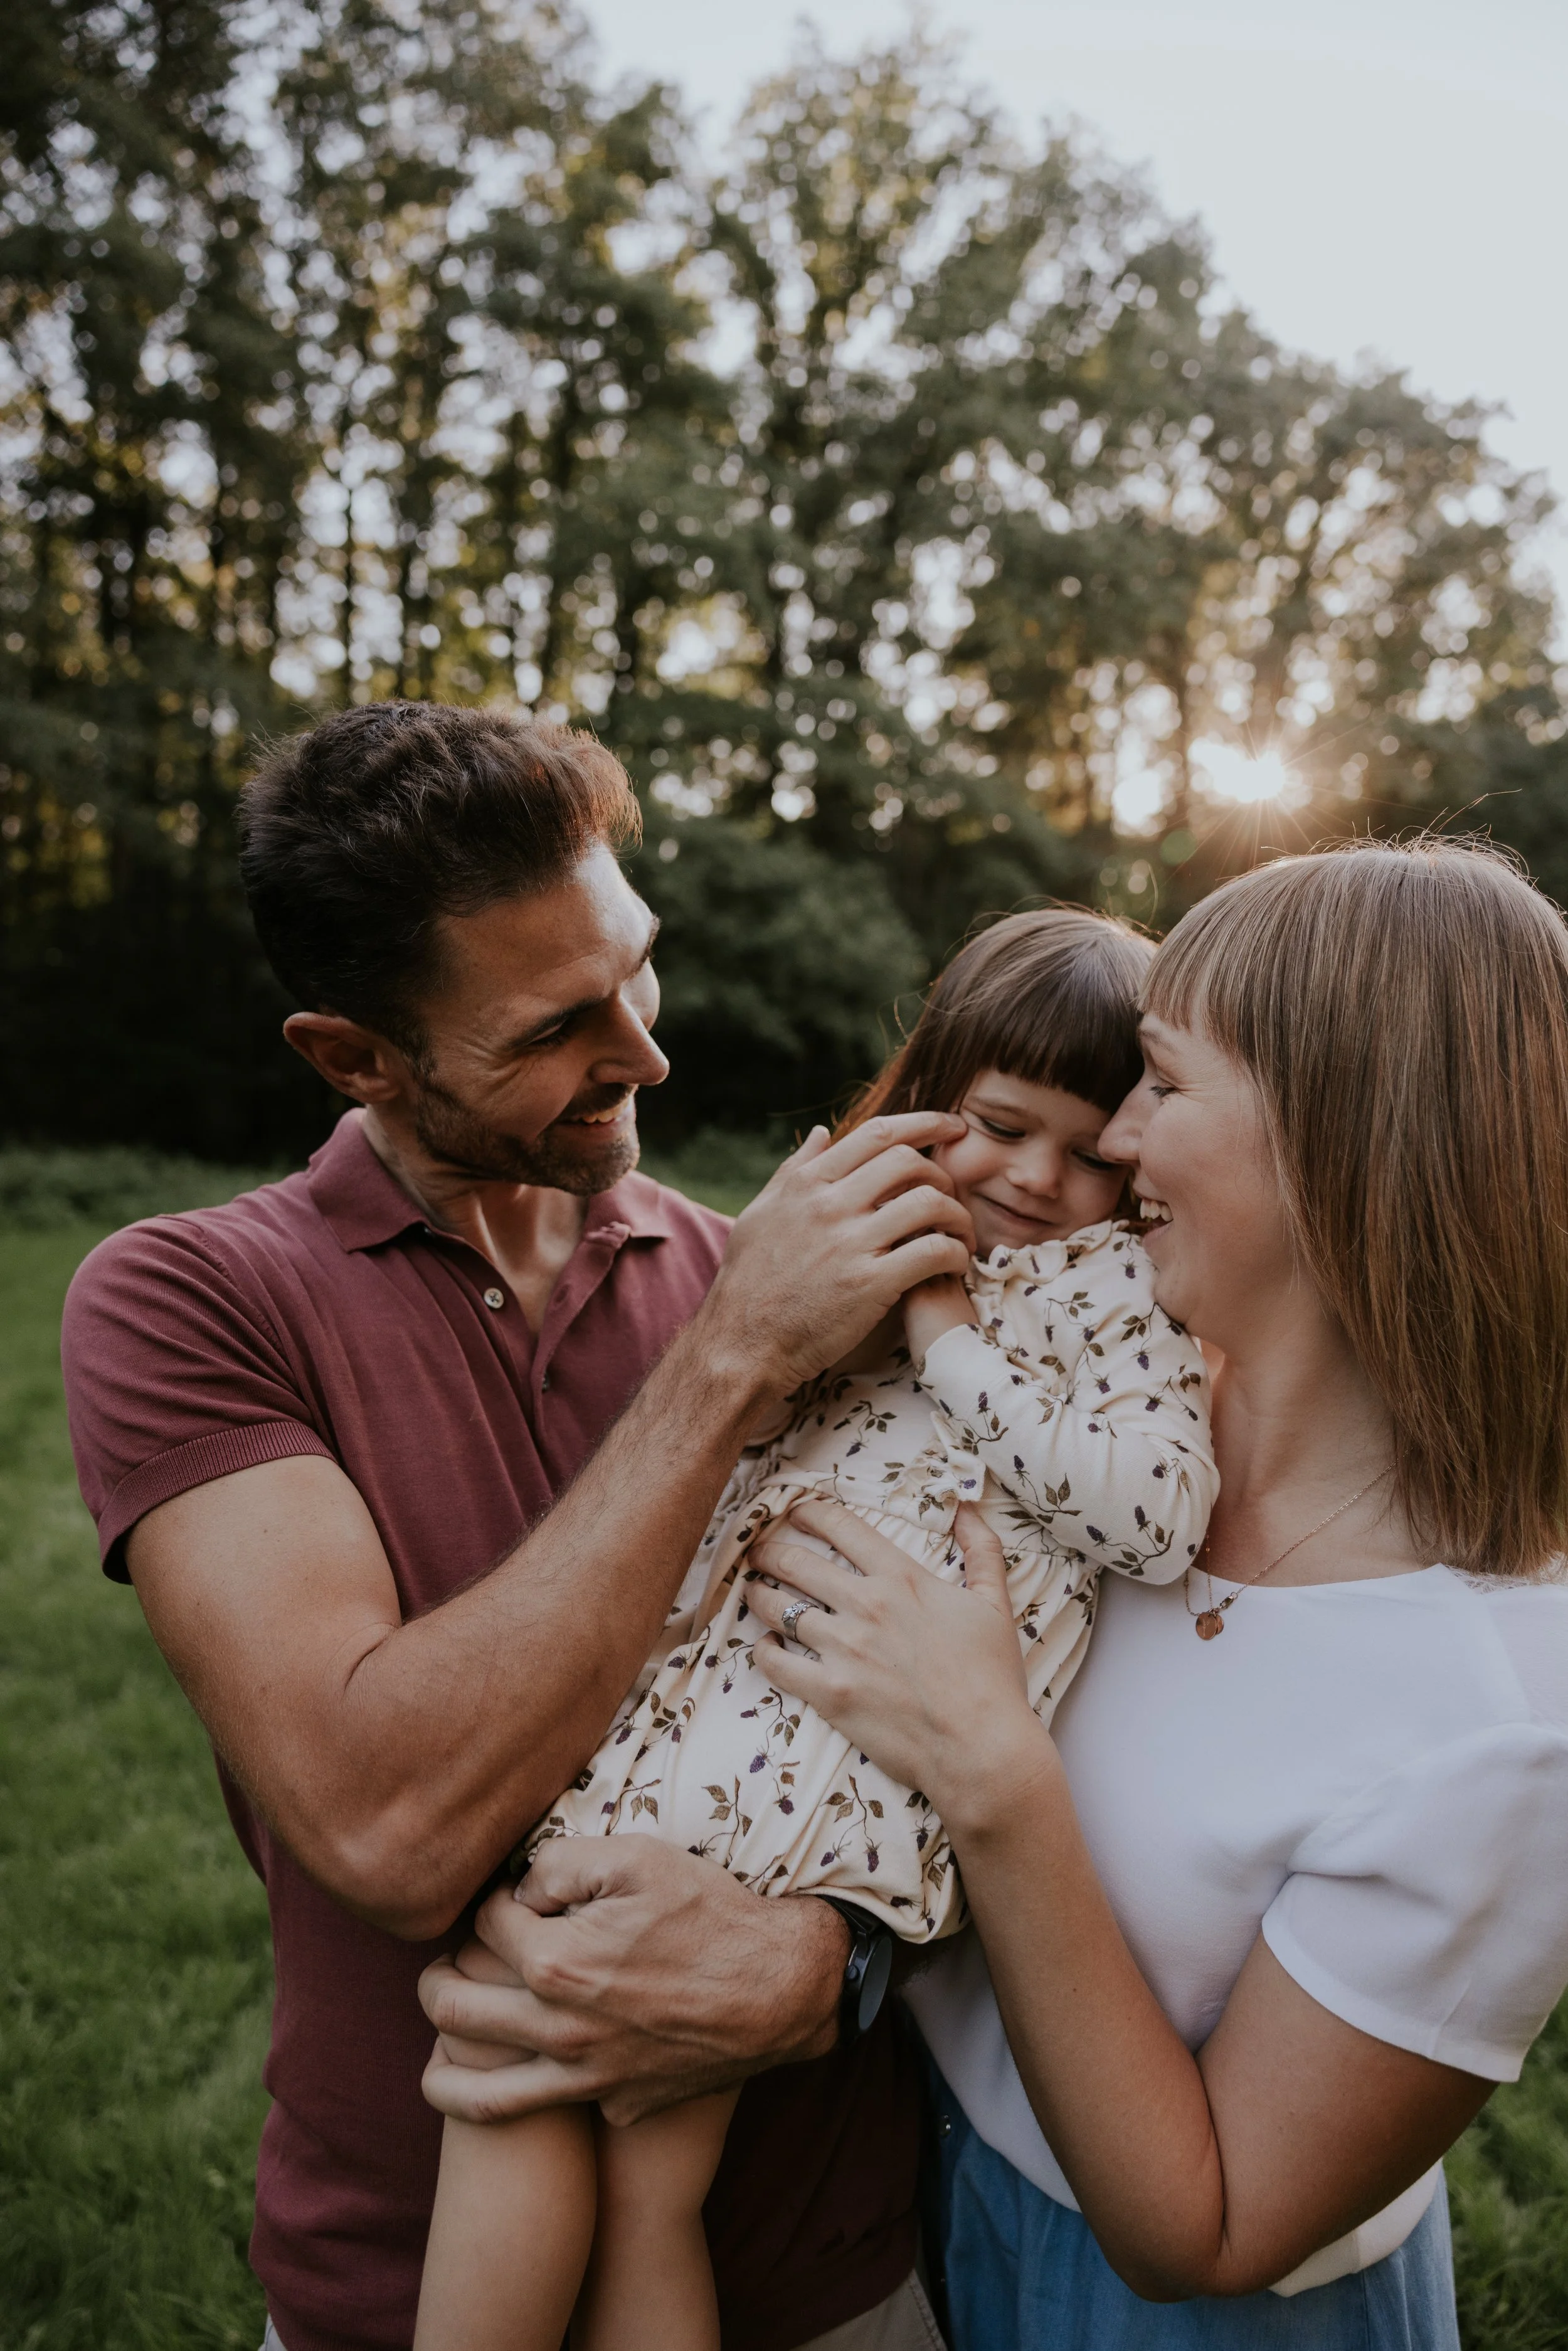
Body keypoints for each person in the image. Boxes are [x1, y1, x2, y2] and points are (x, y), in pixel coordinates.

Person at [60, 699, 982, 2351]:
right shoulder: (192, 1299)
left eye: (637, 966)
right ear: (354, 1055)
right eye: (558, 1025)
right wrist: (724, 1369)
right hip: (411, 2284)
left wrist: (817, 1971)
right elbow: (388, 1824)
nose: (644, 1051)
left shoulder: (754, 1281)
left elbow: (975, 1724)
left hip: (830, 2277)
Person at [732, 837, 1568, 2349]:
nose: (1112, 1137)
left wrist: (991, 1769)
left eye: (1162, 1086)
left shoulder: (1502, 1719)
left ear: (1338, 1135)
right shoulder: (1116, 1429)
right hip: (916, 2199)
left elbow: (1201, 2227)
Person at [412, 911, 1219, 2351]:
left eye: (1093, 1149)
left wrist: (947, 1344)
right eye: (996, 1124)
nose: (1038, 1177)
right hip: (696, 1709)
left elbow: (1153, 1514)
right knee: (568, 2112)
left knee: (586, 2116)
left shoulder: (1127, 1297)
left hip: (835, 1752)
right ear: (929, 1099)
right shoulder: (862, 1236)